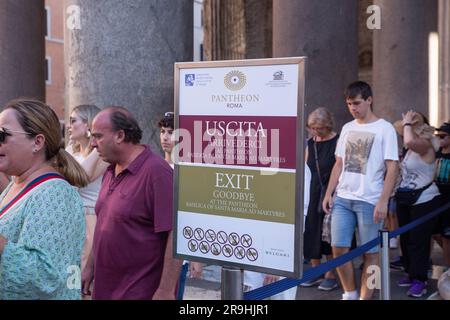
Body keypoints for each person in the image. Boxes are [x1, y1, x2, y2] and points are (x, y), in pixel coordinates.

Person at [82, 106, 182, 300]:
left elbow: (176, 233)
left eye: (98, 136)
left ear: (120, 135)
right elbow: (104, 225)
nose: (93, 144)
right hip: (105, 289)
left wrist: (166, 290)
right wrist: (90, 267)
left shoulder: (156, 172)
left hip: (139, 291)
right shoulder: (111, 169)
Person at [0, 98, 88, 299]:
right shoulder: (16, 183)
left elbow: (46, 279)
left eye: (2, 135)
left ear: (37, 142)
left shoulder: (54, 193)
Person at [322, 81, 399, 300]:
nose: (353, 108)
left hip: (370, 200)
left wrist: (383, 201)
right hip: (343, 198)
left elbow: (392, 167)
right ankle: (350, 293)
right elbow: (339, 163)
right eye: (349, 104)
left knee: (371, 254)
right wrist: (329, 193)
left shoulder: (385, 129)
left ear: (369, 100)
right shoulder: (347, 128)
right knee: (338, 249)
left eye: (356, 103)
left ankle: (367, 297)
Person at [393, 111, 441, 298]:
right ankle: (411, 273)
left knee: (418, 241)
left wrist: (406, 125)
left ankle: (420, 280)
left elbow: (410, 141)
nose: (404, 132)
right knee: (405, 238)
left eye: (407, 128)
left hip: (424, 200)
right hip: (406, 198)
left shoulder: (424, 144)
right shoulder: (410, 149)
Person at [66, 105, 109, 282]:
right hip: (71, 216)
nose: (69, 126)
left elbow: (80, 177)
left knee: (85, 275)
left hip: (91, 217)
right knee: (70, 274)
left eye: (73, 121)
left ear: (87, 125)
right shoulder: (71, 151)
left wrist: (95, 140)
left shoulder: (101, 154)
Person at [301, 107, 339, 291]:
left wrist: (331, 192)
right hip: (312, 191)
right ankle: (316, 270)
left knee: (328, 234)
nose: (316, 132)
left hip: (331, 191)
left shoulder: (338, 141)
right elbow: (306, 169)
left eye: (320, 128)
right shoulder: (311, 143)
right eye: (312, 128)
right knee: (311, 231)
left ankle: (331, 273)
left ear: (328, 125)